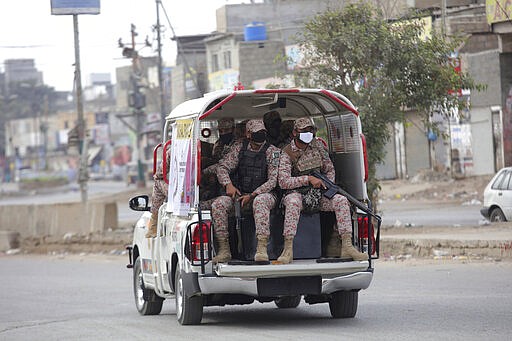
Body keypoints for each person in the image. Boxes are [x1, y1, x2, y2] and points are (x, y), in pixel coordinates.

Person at [277, 117, 367, 263]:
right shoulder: (287, 153)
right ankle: (288, 249)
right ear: (295, 132)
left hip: (318, 194)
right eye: (304, 131)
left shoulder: (318, 146)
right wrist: (307, 179)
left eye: (311, 130)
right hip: (297, 193)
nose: (308, 133)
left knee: (341, 200)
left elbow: (329, 168)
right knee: (292, 202)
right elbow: (283, 181)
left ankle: (347, 246)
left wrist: (327, 185)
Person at [211, 119, 281, 263]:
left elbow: (273, 181)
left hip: (264, 194)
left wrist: (253, 194)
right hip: (241, 194)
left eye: (262, 133)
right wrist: (228, 185)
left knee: (260, 202)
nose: (260, 136)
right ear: (248, 134)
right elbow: (222, 167)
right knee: (219, 204)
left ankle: (261, 249)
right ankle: (224, 250)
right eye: (256, 133)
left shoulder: (272, 152)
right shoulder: (239, 148)